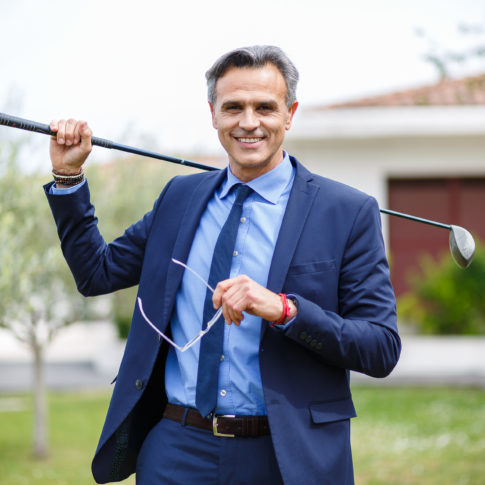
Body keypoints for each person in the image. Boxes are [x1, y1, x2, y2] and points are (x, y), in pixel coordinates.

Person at [45, 45, 401, 485]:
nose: (248, 122)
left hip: (286, 458)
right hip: (176, 450)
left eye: (264, 108)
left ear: (289, 113)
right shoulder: (179, 198)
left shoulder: (346, 212)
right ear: (213, 113)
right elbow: (96, 273)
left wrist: (284, 310)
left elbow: (381, 347)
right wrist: (68, 178)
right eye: (233, 107)